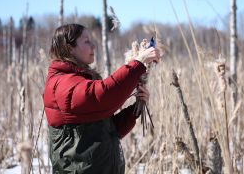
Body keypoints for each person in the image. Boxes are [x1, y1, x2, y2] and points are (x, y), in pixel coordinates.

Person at [43, 23, 160, 173]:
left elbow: (107, 131)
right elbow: (103, 97)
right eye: (86, 41)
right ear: (69, 47)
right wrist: (138, 63)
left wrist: (135, 109)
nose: (93, 46)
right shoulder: (62, 83)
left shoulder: (78, 80)